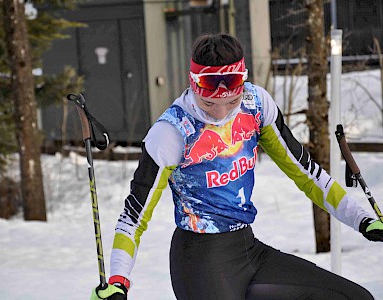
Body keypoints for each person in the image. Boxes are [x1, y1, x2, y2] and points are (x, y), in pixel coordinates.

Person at [91, 33, 383, 300]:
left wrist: (363, 220)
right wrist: (118, 279)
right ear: (193, 85)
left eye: (231, 102)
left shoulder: (256, 105)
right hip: (199, 262)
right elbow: (133, 217)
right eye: (207, 104)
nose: (220, 113)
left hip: (248, 250)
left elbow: (306, 173)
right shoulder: (172, 132)